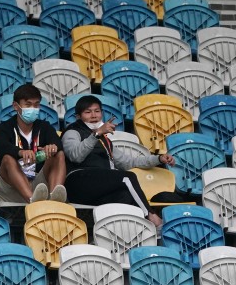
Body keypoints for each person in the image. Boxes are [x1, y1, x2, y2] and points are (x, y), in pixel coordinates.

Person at [61, 95, 176, 227]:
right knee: (127, 177)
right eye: (88, 112)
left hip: (98, 187)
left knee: (125, 196)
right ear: (78, 117)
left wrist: (158, 158)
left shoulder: (105, 140)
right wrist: (96, 134)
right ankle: (152, 217)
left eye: (97, 111)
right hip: (78, 183)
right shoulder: (73, 131)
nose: (93, 115)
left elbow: (129, 162)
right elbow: (75, 156)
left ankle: (134, 232)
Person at [0, 84, 68, 205]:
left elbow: (58, 142)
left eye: (36, 105)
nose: (33, 108)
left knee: (59, 154)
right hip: (10, 187)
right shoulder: (4, 127)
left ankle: (55, 199)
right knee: (7, 159)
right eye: (28, 104)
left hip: (38, 185)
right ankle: (33, 201)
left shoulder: (45, 126)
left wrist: (53, 146)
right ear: (16, 106)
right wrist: (20, 152)